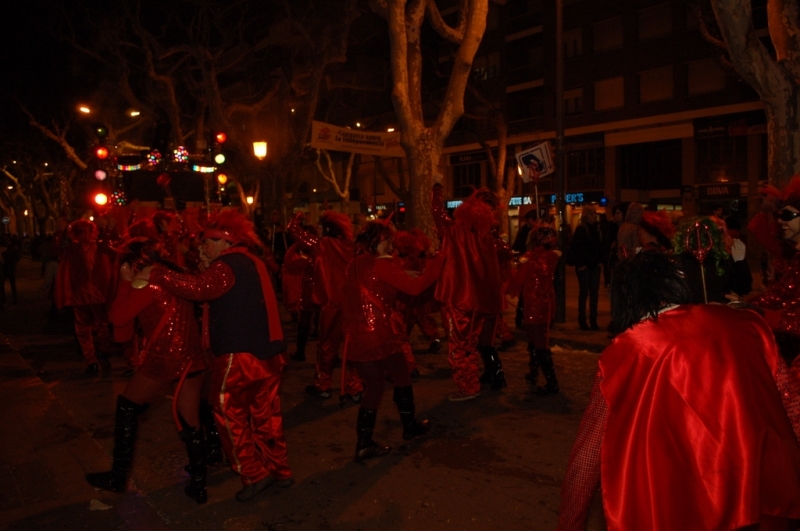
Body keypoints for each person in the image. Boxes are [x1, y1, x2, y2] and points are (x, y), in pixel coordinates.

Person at [557, 251, 800, 530]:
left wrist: (569, 524)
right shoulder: (748, 324)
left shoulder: (627, 352)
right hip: (763, 492)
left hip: (683, 505)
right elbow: (791, 403)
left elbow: (587, 457)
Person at [143, 209, 292, 503]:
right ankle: (279, 470)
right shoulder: (253, 260)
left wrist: (158, 273)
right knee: (266, 415)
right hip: (269, 352)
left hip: (241, 356)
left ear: (224, 242)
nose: (203, 248)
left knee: (227, 413)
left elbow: (199, 289)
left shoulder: (227, 265)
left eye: (208, 242)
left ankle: (253, 473)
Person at [85, 232, 209, 504]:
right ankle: (199, 483)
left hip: (164, 358)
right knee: (190, 419)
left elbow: (118, 318)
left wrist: (125, 282)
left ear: (133, 262)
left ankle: (118, 477)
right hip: (192, 357)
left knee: (127, 406)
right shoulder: (174, 274)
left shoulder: (146, 281)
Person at [344, 220, 444, 461]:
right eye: (388, 239)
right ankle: (409, 426)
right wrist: (436, 263)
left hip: (356, 336)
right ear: (378, 241)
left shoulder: (355, 264)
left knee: (375, 387)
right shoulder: (382, 264)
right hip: (381, 334)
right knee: (401, 375)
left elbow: (371, 286)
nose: (391, 244)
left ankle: (364, 443)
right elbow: (416, 287)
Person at [432, 181, 511, 401]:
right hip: (483, 302)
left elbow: (437, 212)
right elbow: (505, 254)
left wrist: (437, 189)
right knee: (472, 344)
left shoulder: (453, 232)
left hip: (459, 298)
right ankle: (475, 381)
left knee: (460, 346)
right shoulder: (489, 239)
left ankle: (468, 386)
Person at [287, 211, 363, 400]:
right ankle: (355, 386)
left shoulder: (321, 245)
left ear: (327, 229)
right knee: (352, 346)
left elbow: (294, 231)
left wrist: (296, 219)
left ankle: (324, 385)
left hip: (331, 305)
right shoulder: (352, 247)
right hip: (353, 304)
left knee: (327, 346)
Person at [55, 220, 115, 375]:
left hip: (80, 296)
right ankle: (103, 354)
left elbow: (57, 250)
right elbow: (116, 249)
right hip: (98, 295)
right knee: (101, 326)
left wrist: (61, 232)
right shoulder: (100, 246)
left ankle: (92, 361)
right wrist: (107, 229)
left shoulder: (72, 249)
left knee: (84, 330)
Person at [507, 222, 561, 395]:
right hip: (548, 302)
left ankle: (551, 382)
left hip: (533, 303)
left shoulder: (528, 258)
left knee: (538, 342)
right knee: (539, 338)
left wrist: (512, 269)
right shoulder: (553, 256)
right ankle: (534, 372)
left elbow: (516, 283)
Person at [673, 216, 751, 304]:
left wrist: (739, 260)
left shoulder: (678, 261)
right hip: (707, 312)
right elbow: (743, 288)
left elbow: (743, 288)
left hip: (700, 312)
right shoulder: (721, 261)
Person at [565, 205, 604, 330]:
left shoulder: (597, 229)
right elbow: (576, 248)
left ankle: (593, 320)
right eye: (591, 214)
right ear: (586, 216)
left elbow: (600, 246)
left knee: (594, 293)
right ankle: (582, 320)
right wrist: (580, 264)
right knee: (584, 293)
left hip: (594, 265)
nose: (594, 216)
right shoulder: (581, 229)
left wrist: (600, 261)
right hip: (585, 267)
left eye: (595, 214)